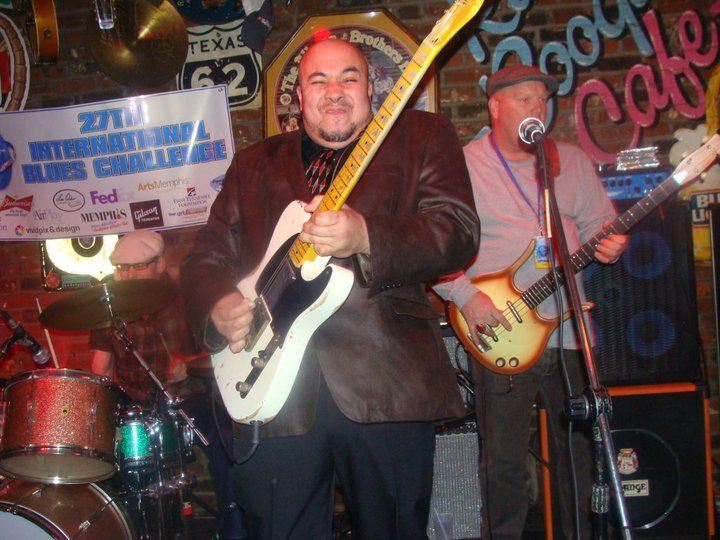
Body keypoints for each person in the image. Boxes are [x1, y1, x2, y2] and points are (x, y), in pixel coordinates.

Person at [181, 35, 480, 538]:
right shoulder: (253, 164)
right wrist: (216, 303)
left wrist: (368, 237)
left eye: (349, 77)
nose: (335, 91)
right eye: (318, 81)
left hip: (385, 382)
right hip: (270, 390)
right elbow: (204, 258)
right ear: (299, 97)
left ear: (371, 88)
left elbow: (458, 231)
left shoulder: (421, 136)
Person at [433, 64, 628, 539]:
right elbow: (434, 247)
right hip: (502, 329)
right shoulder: (462, 166)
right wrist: (466, 297)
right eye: (525, 99)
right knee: (503, 461)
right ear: (495, 106)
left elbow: (601, 224)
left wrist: (611, 241)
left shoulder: (570, 160)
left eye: (542, 99)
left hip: (568, 328)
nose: (537, 107)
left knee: (579, 453)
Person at [89, 230, 246, 539]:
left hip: (190, 399)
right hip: (138, 407)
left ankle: (234, 531)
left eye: (139, 266)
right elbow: (100, 369)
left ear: (160, 263)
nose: (129, 275)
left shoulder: (188, 298)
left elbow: (225, 347)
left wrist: (191, 362)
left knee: (227, 445)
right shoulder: (108, 308)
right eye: (123, 268)